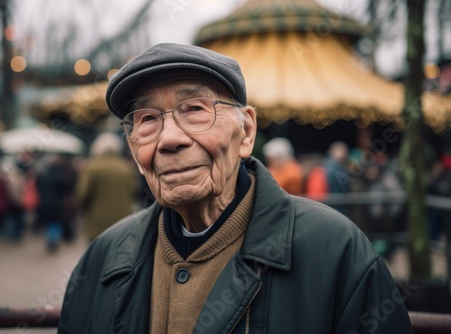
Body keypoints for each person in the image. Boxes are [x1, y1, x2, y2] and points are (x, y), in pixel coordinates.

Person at [59, 43, 412, 333]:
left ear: (245, 132)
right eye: (148, 119)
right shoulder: (101, 260)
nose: (169, 139)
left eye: (194, 109)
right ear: (135, 151)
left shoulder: (336, 252)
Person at [75, 131, 139, 242]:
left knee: (97, 255)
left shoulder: (93, 167)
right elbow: (134, 190)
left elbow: (83, 194)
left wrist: (81, 209)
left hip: (97, 222)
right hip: (123, 220)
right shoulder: (126, 168)